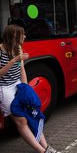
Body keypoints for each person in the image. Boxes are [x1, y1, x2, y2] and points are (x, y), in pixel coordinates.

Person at [0, 25, 58, 153]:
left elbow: (21, 69)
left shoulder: (18, 48)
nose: (25, 37)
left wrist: (25, 88)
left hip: (18, 84)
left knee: (32, 113)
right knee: (21, 121)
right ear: (14, 36)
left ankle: (47, 147)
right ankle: (42, 151)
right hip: (4, 88)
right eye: (22, 34)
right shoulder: (0, 51)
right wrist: (14, 60)